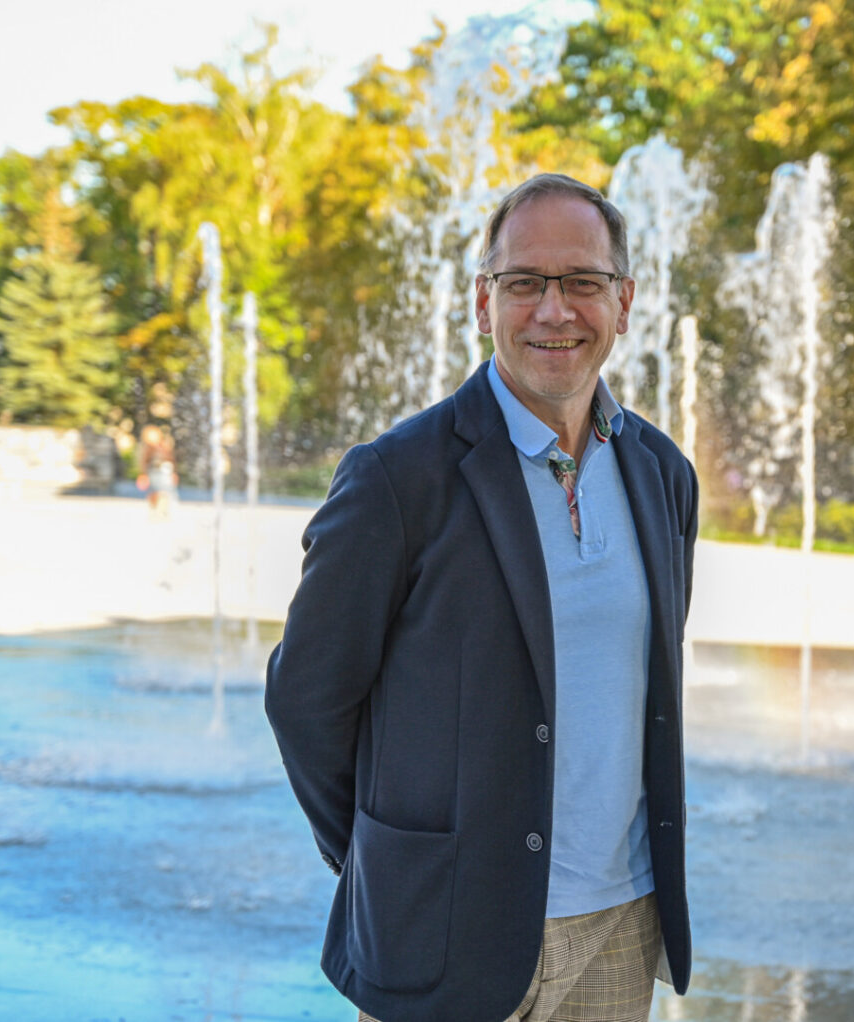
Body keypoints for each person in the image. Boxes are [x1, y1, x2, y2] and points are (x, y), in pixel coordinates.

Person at [265, 173, 698, 1022]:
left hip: (621, 923)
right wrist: (391, 862)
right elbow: (306, 701)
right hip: (445, 932)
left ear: (624, 302)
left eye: (583, 281)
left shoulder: (662, 474)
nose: (554, 309)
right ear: (481, 302)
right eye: (524, 281)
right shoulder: (397, 478)